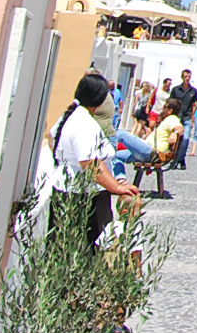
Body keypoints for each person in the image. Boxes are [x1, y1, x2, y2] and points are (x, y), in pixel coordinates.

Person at [50, 74, 142, 251]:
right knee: (86, 250)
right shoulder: (84, 124)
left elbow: (52, 138)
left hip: (72, 190)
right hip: (83, 196)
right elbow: (91, 163)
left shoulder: (72, 117)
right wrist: (116, 187)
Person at [166, 71, 197, 168]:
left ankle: (180, 158)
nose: (187, 78)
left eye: (189, 76)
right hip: (176, 117)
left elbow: (194, 104)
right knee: (175, 139)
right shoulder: (176, 89)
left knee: (185, 138)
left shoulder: (193, 91)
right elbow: (170, 102)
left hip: (187, 117)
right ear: (182, 77)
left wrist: (193, 116)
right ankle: (175, 159)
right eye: (185, 76)